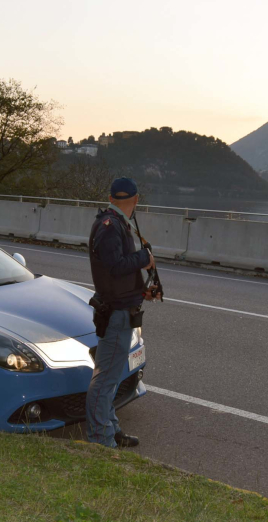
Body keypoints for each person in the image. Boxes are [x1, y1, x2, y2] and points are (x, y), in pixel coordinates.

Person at [86, 177, 160, 448]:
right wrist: (145, 258)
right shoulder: (109, 226)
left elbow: (117, 275)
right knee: (105, 379)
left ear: (111, 197)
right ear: (136, 199)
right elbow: (116, 266)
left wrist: (143, 292)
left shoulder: (116, 223)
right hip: (116, 312)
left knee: (112, 377)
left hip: (122, 307)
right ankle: (100, 440)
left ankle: (111, 429)